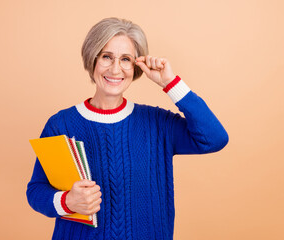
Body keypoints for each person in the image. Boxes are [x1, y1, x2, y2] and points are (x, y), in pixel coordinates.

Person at [27, 17, 229, 240]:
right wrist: (67, 201)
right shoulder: (61, 124)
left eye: (125, 59)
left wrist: (170, 82)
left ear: (136, 66)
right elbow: (36, 190)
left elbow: (214, 138)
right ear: (92, 59)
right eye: (106, 57)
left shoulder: (158, 124)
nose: (116, 69)